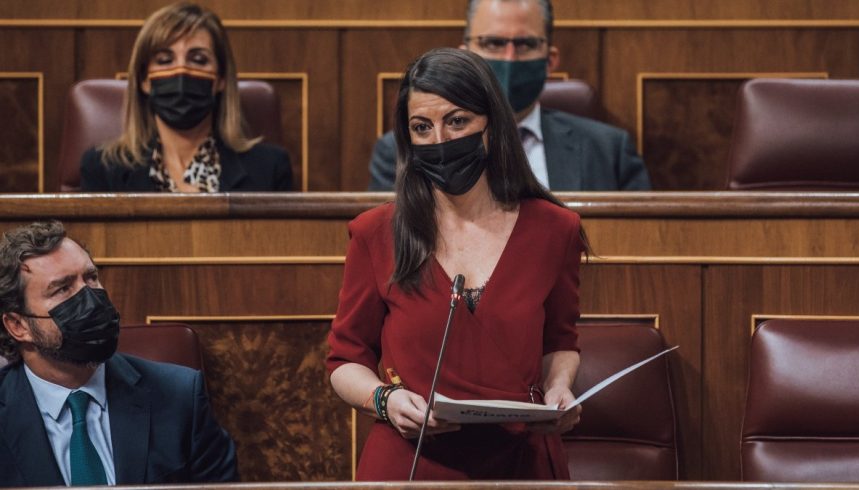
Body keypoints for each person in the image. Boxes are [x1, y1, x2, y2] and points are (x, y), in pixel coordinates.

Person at [328, 47, 586, 480]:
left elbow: (559, 342)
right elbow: (344, 360)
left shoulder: (554, 229)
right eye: (422, 127)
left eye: (457, 121)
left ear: (492, 124)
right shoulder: (376, 233)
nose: (440, 141)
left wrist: (559, 388)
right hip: (412, 462)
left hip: (520, 463)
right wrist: (385, 400)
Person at [0, 221, 238, 486]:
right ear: (18, 325)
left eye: (91, 278)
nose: (91, 298)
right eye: (63, 289)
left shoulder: (179, 396)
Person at [368, 0, 650, 192]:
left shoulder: (609, 151)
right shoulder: (401, 150)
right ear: (465, 56)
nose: (509, 58)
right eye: (493, 43)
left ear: (550, 60)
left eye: (525, 44)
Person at [80, 2, 292, 192]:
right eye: (165, 60)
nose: (181, 71)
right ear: (144, 80)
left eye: (198, 59)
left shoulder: (270, 167)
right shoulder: (102, 168)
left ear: (220, 79)